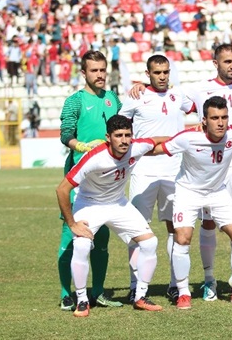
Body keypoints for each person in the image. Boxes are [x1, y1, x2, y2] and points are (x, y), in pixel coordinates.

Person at [155, 96, 232, 309]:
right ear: (204, 121)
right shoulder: (188, 138)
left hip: (217, 192)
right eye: (214, 118)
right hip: (188, 191)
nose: (220, 122)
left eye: (224, 117)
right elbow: (157, 147)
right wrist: (126, 149)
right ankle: (183, 293)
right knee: (182, 237)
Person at [57, 51, 144, 311]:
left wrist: (142, 86)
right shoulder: (75, 101)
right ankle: (66, 293)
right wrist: (81, 146)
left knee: (102, 237)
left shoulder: (112, 98)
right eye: (94, 70)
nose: (100, 75)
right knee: (71, 235)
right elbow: (65, 135)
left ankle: (98, 292)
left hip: (107, 180)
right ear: (84, 73)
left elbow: (123, 124)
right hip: (81, 177)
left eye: (103, 70)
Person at [55, 115, 166, 317]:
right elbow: (62, 189)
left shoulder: (135, 147)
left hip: (118, 204)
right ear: (108, 137)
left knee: (150, 243)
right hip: (89, 204)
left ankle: (140, 297)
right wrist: (72, 224)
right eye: (118, 136)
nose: (124, 140)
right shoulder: (94, 158)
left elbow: (158, 140)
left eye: (127, 135)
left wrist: (192, 135)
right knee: (81, 245)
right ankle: (82, 301)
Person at [119, 55, 195, 303]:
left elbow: (196, 106)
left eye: (165, 72)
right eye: (157, 72)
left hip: (175, 171)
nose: (162, 76)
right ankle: (135, 285)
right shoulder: (137, 96)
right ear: (148, 73)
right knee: (137, 229)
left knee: (176, 228)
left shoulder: (178, 95)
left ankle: (175, 284)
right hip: (144, 170)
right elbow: (119, 123)